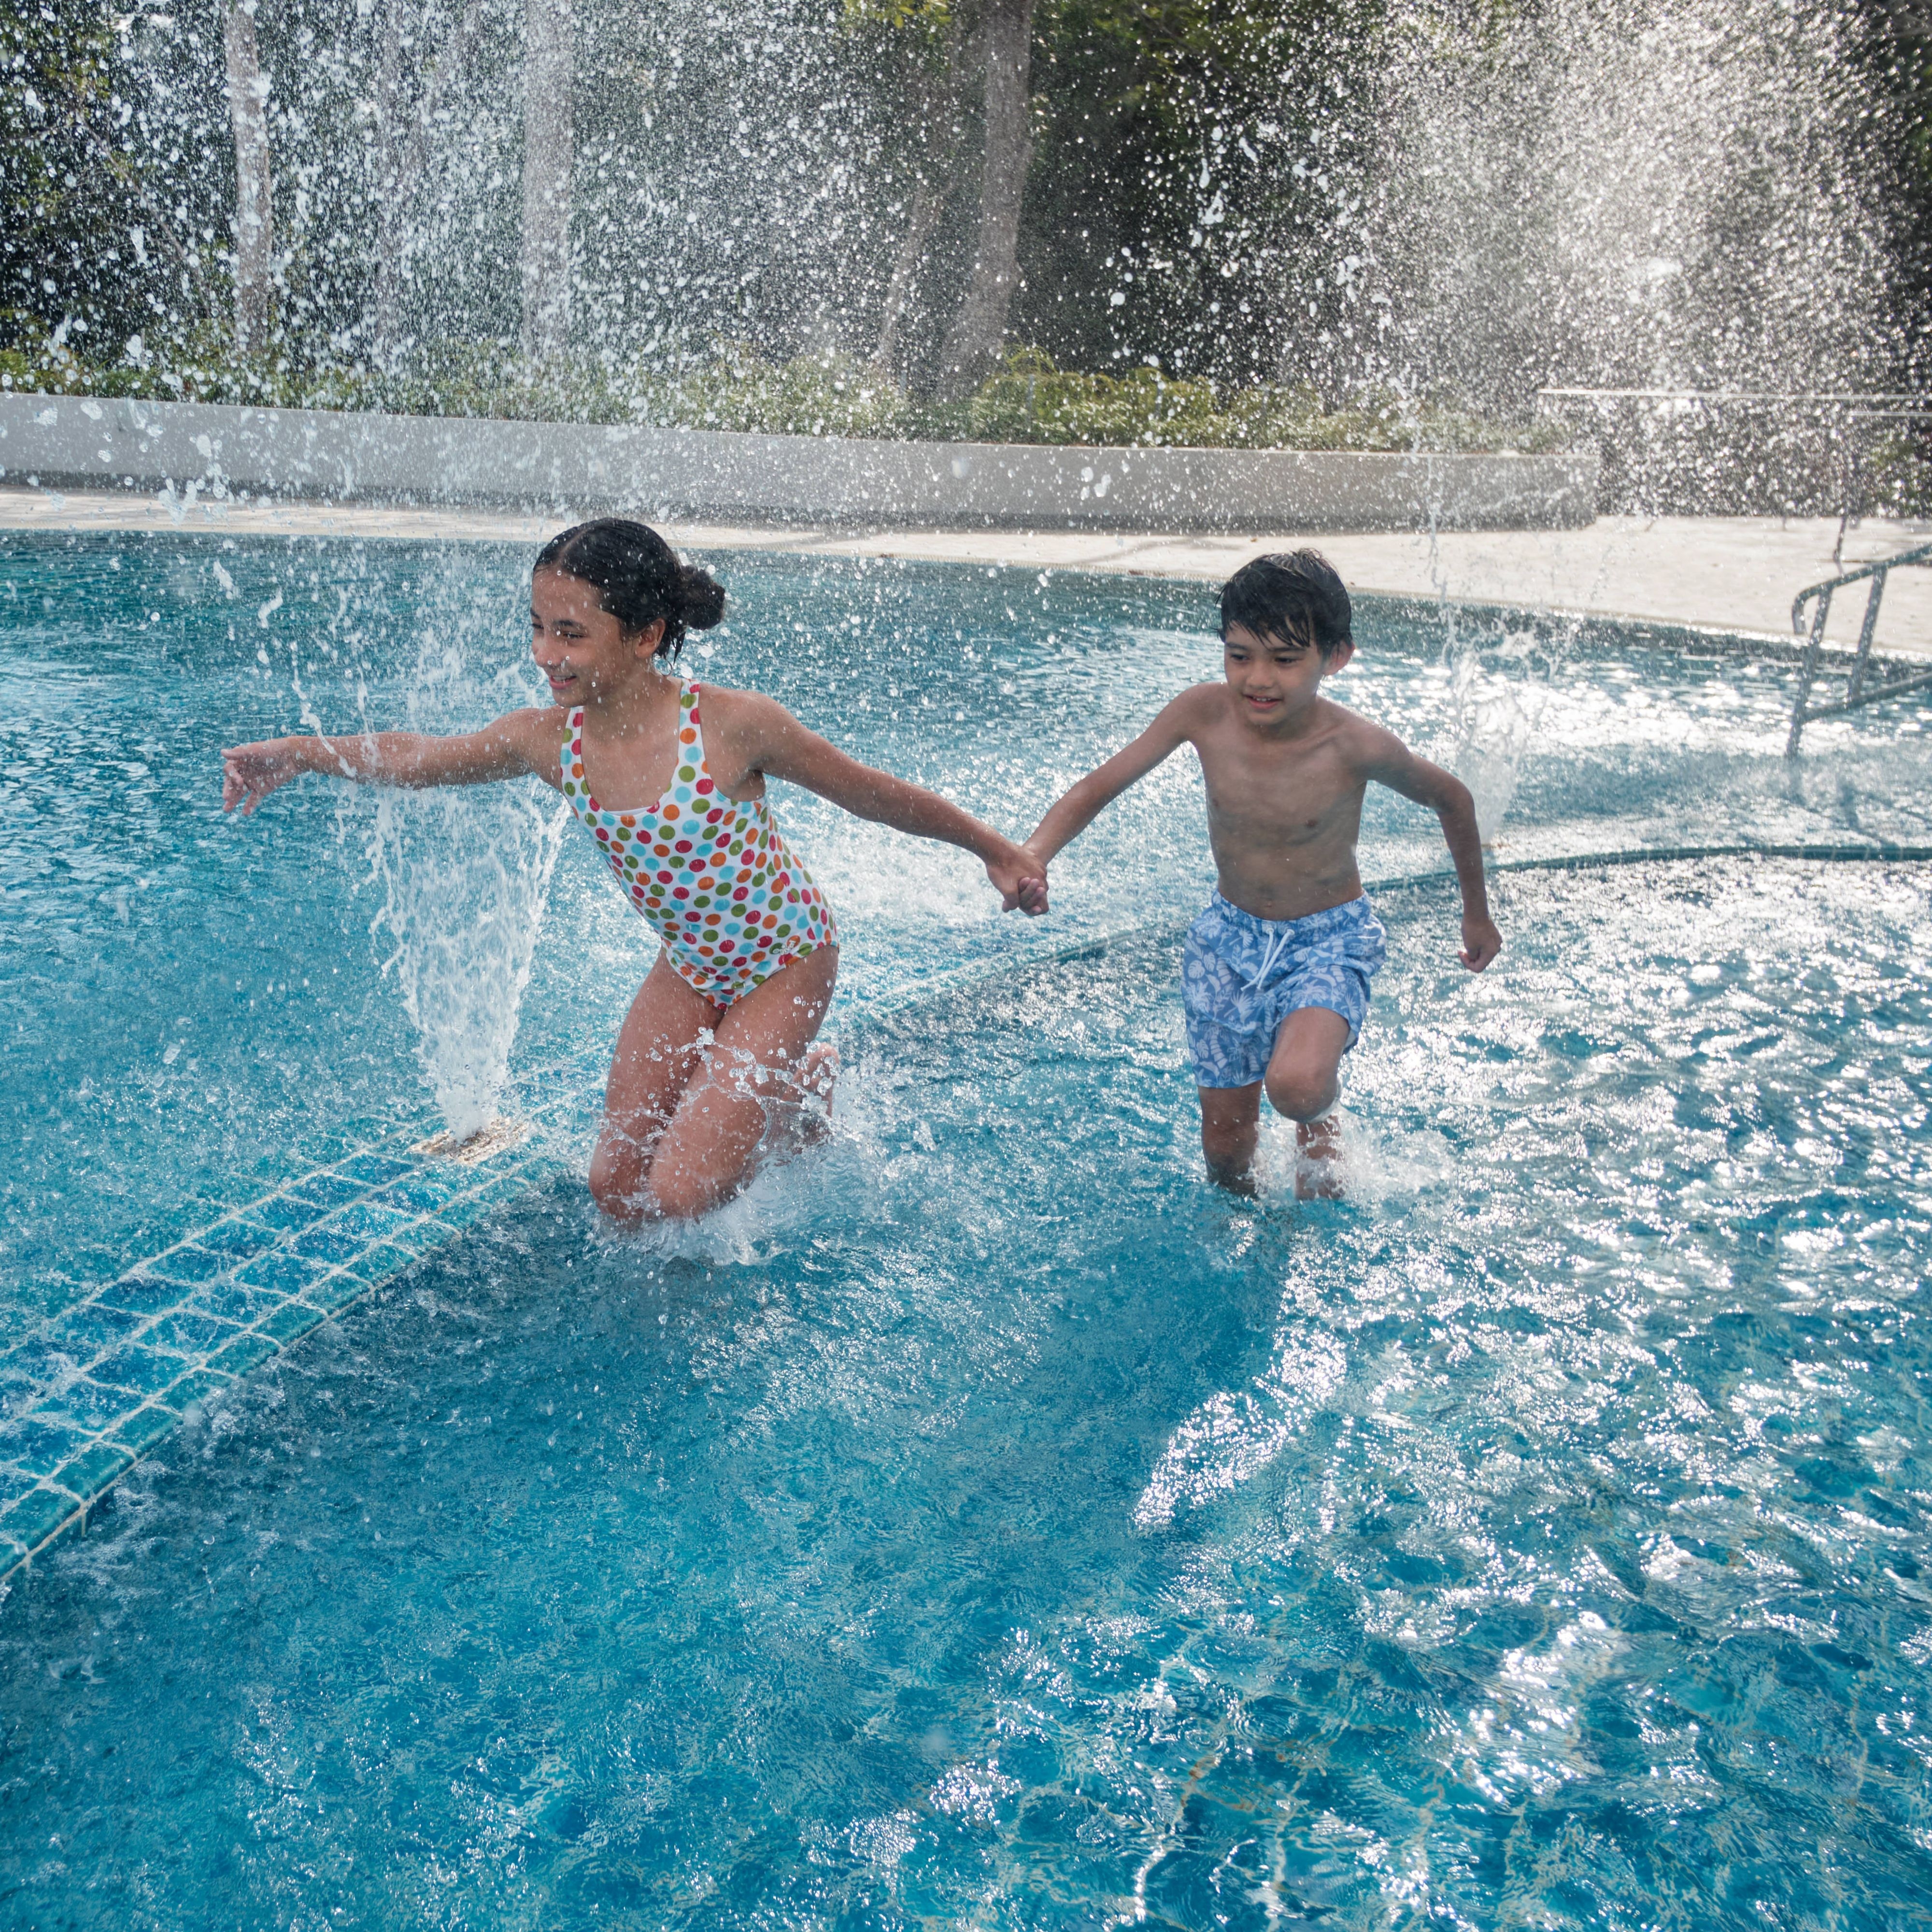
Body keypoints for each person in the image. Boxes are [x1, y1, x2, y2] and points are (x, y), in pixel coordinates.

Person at [223, 517, 1048, 1222]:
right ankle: (768, 1081)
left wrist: (997, 852)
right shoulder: (549, 740)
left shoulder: (727, 727)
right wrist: (298, 755)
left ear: (647, 634)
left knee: (684, 1193)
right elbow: (422, 758)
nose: (547, 653)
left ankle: (803, 1085)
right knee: (616, 1191)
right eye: (538, 626)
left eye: (572, 633)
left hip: (785, 962)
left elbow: (873, 795)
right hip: (691, 964)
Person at [1022, 550, 1501, 1197]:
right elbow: (1101, 784)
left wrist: (1475, 912)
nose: (1258, 678)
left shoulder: (1355, 746)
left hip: (1328, 937)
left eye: (1284, 659)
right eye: (1239, 655)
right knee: (1225, 1152)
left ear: (1336, 657)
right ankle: (1253, 1240)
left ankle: (1319, 1109)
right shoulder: (1202, 713)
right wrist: (1034, 855)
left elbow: (1454, 800)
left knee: (1297, 1089)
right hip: (1227, 942)